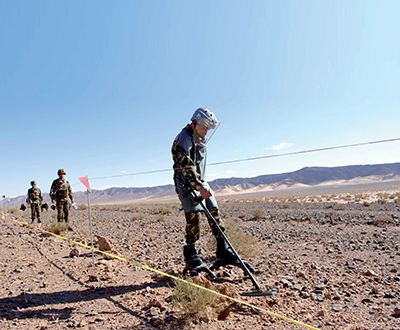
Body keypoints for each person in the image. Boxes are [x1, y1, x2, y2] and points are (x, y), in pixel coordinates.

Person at [172, 107, 244, 274]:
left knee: (214, 212)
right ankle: (191, 255)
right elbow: (186, 168)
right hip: (186, 184)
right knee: (194, 218)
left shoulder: (199, 138)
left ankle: (223, 250)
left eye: (208, 129)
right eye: (204, 128)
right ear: (195, 122)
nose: (206, 132)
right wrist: (199, 187)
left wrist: (202, 185)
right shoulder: (183, 140)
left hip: (201, 182)